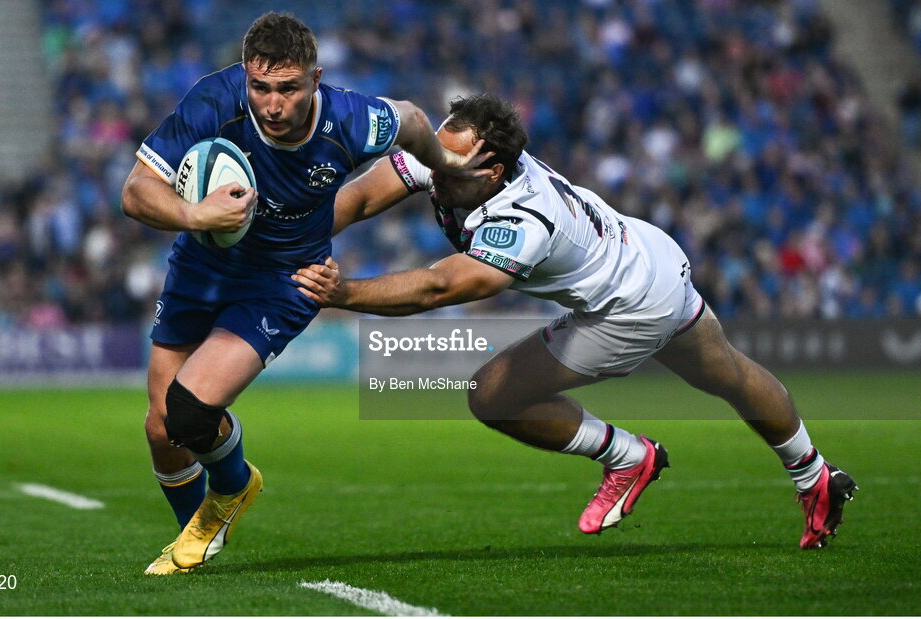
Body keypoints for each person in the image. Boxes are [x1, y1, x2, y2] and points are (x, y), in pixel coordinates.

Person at [293, 93, 857, 549]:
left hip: (628, 309)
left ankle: (628, 456)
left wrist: (343, 293)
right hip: (648, 254)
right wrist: (294, 242)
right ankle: (815, 474)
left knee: (490, 395)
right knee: (729, 374)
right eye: (435, 157)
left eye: (450, 169)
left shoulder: (524, 215)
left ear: (494, 171)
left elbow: (446, 285)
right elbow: (364, 198)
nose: (434, 173)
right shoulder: (454, 156)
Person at [121, 12, 488, 575]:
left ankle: (230, 491)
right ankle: (199, 532)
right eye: (260, 87)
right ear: (245, 76)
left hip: (283, 280)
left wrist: (446, 168)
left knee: (191, 412)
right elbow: (136, 191)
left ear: (315, 80)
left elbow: (414, 120)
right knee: (159, 428)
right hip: (201, 264)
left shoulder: (350, 120)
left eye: (288, 89)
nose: (272, 104)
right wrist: (194, 213)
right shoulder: (215, 102)